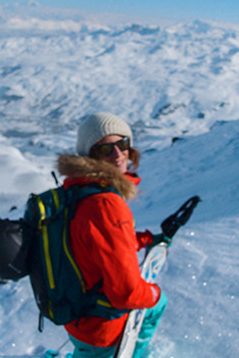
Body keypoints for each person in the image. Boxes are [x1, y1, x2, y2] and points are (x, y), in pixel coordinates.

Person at [60, 112, 168, 358]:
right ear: (90, 156)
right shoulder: (105, 203)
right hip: (102, 327)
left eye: (122, 145)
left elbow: (96, 243)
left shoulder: (77, 191)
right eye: (105, 149)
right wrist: (154, 294)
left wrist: (144, 240)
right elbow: (125, 293)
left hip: (77, 316)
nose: (118, 154)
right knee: (157, 304)